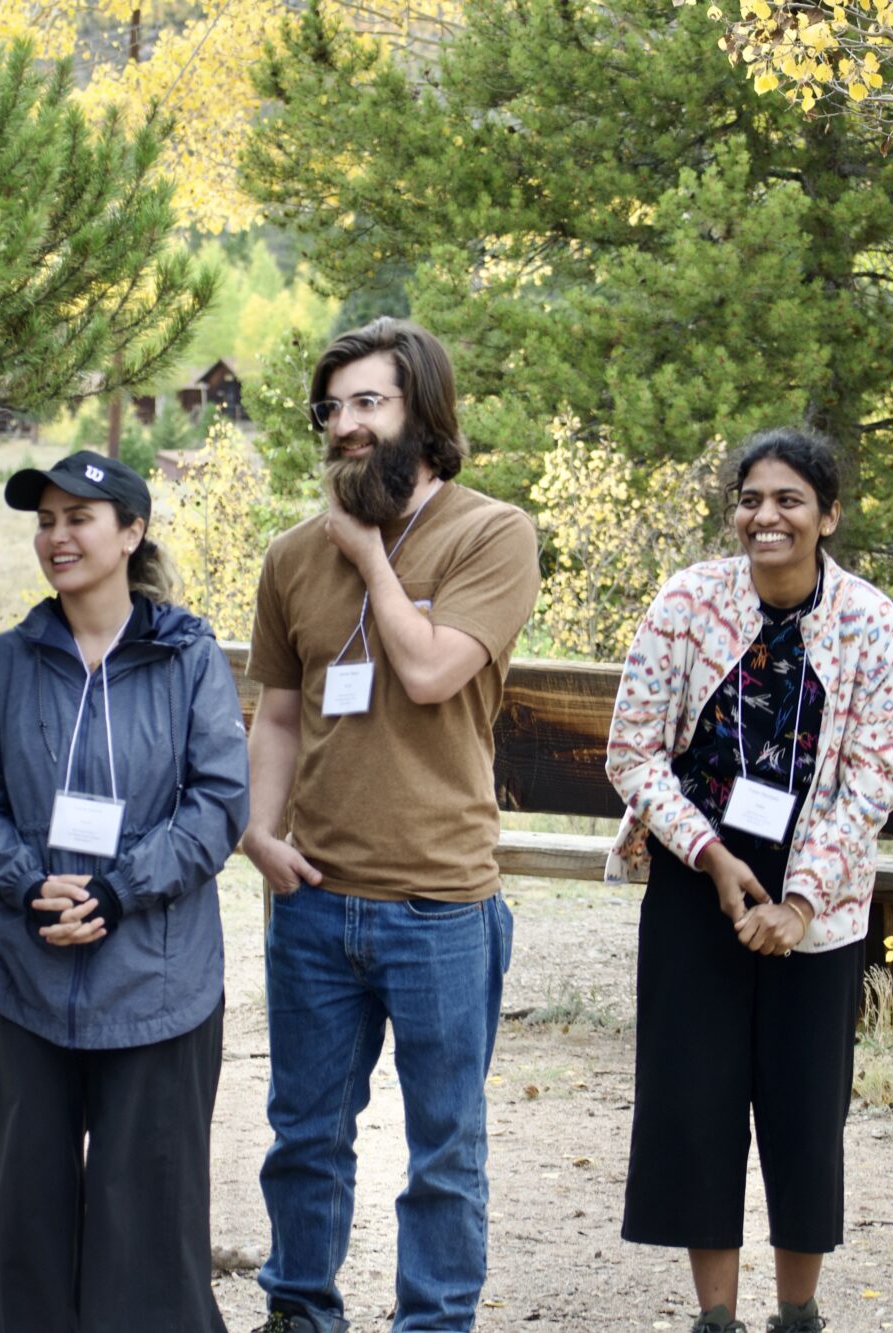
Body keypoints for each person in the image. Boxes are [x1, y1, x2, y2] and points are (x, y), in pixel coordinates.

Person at [242, 318, 541, 1333]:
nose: (345, 426)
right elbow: (278, 714)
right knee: (303, 1137)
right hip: (314, 903)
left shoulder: (491, 534)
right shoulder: (291, 556)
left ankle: (432, 1323)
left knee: (443, 1148)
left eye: (368, 402)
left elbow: (427, 671)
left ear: (423, 410)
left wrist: (369, 555)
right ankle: (298, 1313)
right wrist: (259, 831)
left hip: (440, 905)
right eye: (331, 409)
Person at [604, 427, 893, 1333]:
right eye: (751, 499)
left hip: (820, 892)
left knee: (804, 1110)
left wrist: (802, 900)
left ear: (828, 515)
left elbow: (875, 777)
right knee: (696, 1101)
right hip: (696, 870)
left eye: (789, 500)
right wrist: (710, 855)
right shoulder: (688, 601)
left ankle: (797, 1314)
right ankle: (716, 1319)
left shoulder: (868, 620)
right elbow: (632, 749)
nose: (765, 516)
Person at [0, 450, 250, 1333]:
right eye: (46, 521)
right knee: (25, 1226)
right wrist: (28, 885)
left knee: (149, 1238)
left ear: (131, 533)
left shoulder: (189, 659)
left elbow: (219, 802)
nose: (57, 536)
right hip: (21, 980)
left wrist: (118, 893)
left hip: (158, 987)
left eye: (79, 517)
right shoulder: (6, 662)